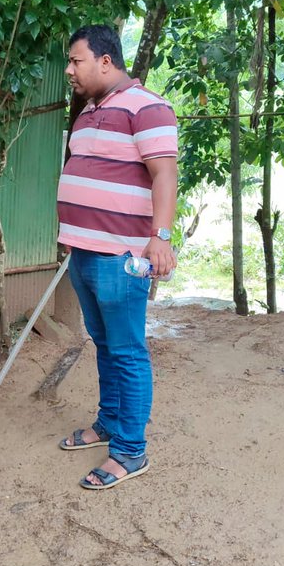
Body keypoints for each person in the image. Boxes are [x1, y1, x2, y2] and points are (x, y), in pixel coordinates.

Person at [56, 25, 178, 490]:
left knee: (127, 351)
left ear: (106, 61)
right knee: (103, 344)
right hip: (84, 252)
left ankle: (130, 451)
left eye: (76, 61)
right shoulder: (88, 112)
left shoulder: (148, 106)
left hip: (122, 256)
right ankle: (108, 423)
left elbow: (164, 175)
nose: (69, 70)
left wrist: (160, 237)